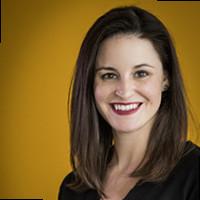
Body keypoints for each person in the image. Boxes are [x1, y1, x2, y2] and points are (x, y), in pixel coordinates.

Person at [58, 6, 200, 200]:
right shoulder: (73, 188)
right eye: (109, 75)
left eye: (141, 73)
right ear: (91, 83)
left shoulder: (194, 175)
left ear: (166, 79)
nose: (124, 91)